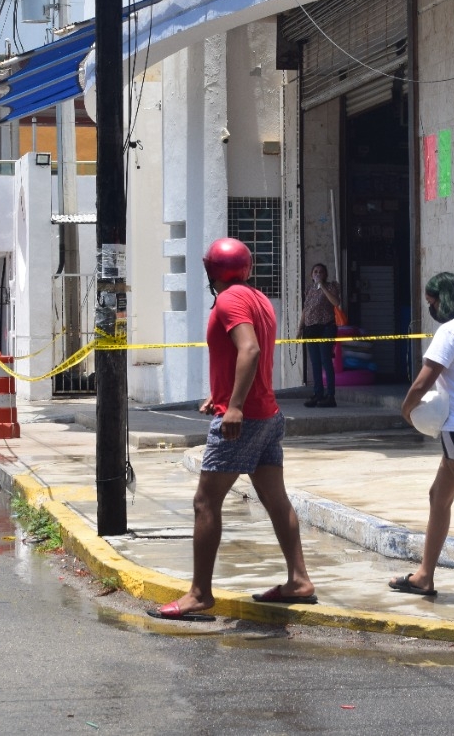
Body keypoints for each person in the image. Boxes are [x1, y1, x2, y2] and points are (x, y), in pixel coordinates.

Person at [147, 237, 316, 621]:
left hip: (247, 418)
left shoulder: (228, 300)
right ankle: (299, 580)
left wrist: (235, 407)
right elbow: (242, 355)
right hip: (267, 415)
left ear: (211, 271)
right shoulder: (257, 298)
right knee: (276, 500)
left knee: (205, 502)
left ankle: (199, 593)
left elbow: (250, 350)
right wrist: (221, 395)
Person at [389, 272, 454, 599]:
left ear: (443, 300)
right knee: (439, 497)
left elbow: (424, 381)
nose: (430, 307)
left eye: (432, 301)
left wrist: (407, 410)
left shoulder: (450, 331)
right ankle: (424, 575)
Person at [298, 262, 342, 408]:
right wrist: (300, 328)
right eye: (315, 271)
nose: (317, 274)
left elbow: (336, 302)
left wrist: (322, 286)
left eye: (321, 272)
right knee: (315, 362)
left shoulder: (331, 286)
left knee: (325, 360)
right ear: (311, 275)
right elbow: (306, 309)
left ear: (325, 275)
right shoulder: (310, 289)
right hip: (311, 328)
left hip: (326, 326)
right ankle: (318, 393)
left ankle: (330, 395)